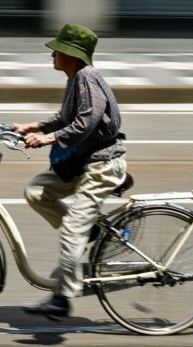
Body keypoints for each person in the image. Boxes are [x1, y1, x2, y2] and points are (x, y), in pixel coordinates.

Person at [12, 23, 127, 320]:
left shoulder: (88, 77)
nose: (52, 54)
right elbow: (65, 117)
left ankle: (63, 298)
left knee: (71, 229)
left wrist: (48, 138)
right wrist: (33, 126)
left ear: (71, 54)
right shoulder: (76, 78)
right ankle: (88, 230)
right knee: (36, 191)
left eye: (57, 50)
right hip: (84, 162)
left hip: (102, 164)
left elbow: (86, 122)